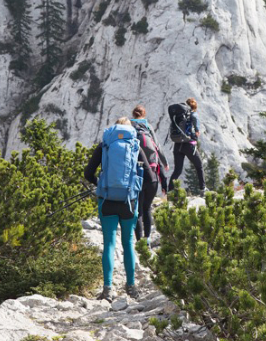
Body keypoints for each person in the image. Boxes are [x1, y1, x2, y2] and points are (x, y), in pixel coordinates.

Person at [84, 117, 155, 302]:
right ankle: (131, 287)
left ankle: (107, 289)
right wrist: (134, 189)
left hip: (106, 199)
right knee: (128, 242)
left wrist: (100, 185)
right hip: (129, 202)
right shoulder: (135, 146)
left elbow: (87, 173)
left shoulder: (105, 145)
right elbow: (150, 178)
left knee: (108, 243)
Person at [130, 104, 169, 241]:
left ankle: (138, 241)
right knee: (147, 209)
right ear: (144, 115)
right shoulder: (148, 128)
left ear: (133, 115)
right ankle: (147, 240)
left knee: (138, 210)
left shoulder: (130, 128)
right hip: (152, 175)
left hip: (137, 175)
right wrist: (165, 164)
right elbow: (157, 148)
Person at [168, 97, 206, 195]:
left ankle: (170, 192)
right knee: (199, 165)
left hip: (177, 144)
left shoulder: (179, 116)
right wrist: (195, 138)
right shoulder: (193, 114)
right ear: (194, 106)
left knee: (177, 170)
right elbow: (197, 131)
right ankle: (203, 189)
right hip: (188, 145)